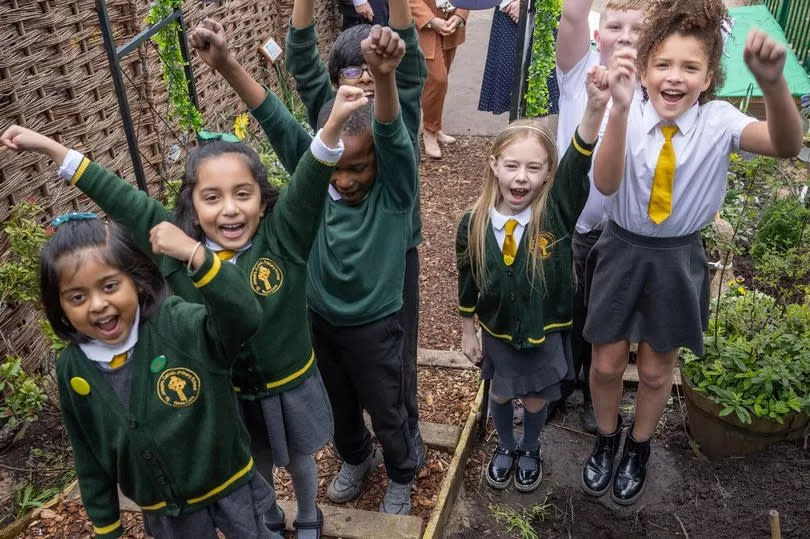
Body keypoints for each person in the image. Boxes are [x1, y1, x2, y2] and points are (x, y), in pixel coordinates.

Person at [5, 87, 362, 539]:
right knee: (255, 463)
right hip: (226, 394)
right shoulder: (175, 249)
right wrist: (53, 148)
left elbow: (311, 182)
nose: (229, 209)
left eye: (242, 194)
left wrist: (330, 129)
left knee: (298, 458)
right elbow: (121, 198)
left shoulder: (283, 236)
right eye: (212, 197)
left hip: (286, 382)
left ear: (263, 199)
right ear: (192, 205)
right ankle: (266, 517)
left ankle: (309, 513)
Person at [192, 18, 419, 516]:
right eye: (334, 165)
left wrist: (383, 78)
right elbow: (273, 116)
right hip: (318, 318)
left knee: (388, 405)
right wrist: (227, 63)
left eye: (357, 167)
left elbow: (392, 134)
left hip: (377, 322)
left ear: (379, 164)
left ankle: (402, 470)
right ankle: (357, 458)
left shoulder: (394, 189)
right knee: (337, 402)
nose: (343, 179)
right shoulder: (315, 175)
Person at [585, 0, 803, 506]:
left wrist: (773, 83)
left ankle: (639, 448)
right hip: (622, 249)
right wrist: (617, 109)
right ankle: (604, 438)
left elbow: (787, 144)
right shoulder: (629, 112)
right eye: (662, 64)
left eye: (690, 67)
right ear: (642, 69)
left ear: (709, 77)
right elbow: (605, 181)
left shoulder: (720, 121)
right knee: (606, 363)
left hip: (677, 257)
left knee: (659, 369)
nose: (675, 78)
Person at [0, 205, 268, 538]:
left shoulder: (176, 324)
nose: (97, 305)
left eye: (110, 286)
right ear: (61, 308)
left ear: (137, 282)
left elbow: (244, 317)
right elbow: (88, 453)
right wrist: (107, 525)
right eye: (78, 296)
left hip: (230, 484)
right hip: (166, 512)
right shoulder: (73, 369)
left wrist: (198, 257)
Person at [282, 0, 427, 468]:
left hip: (394, 253)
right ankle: (356, 445)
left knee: (397, 353)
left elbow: (404, 61)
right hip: (339, 278)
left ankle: (407, 428)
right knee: (341, 366)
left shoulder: (397, 105)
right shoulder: (330, 120)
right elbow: (301, 61)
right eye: (353, 74)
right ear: (335, 83)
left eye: (371, 73)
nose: (364, 81)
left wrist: (390, 49)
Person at [456, 65, 610, 493]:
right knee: (502, 396)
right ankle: (505, 444)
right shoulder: (472, 222)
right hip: (500, 331)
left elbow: (579, 164)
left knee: (538, 397)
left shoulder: (557, 214)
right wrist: (469, 330)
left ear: (547, 174)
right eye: (512, 166)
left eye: (533, 168)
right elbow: (467, 279)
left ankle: (531, 445)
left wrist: (595, 107)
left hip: (545, 331)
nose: (521, 177)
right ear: (495, 165)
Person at [551, 0, 646, 433]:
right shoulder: (578, 71)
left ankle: (595, 391)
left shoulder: (655, 85)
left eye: (637, 27)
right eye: (616, 25)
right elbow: (572, 15)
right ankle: (559, 383)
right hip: (572, 227)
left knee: (605, 318)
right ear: (598, 33)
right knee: (563, 308)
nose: (625, 35)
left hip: (622, 232)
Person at [478, 1, 560, 117]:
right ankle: (518, 133)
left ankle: (536, 133)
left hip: (548, 7)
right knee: (512, 80)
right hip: (510, 9)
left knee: (542, 86)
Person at [410, 0, 468, 158]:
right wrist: (431, 20)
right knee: (437, 79)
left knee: (441, 79)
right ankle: (429, 132)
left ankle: (435, 127)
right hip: (423, 26)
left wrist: (460, 14)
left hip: (451, 24)